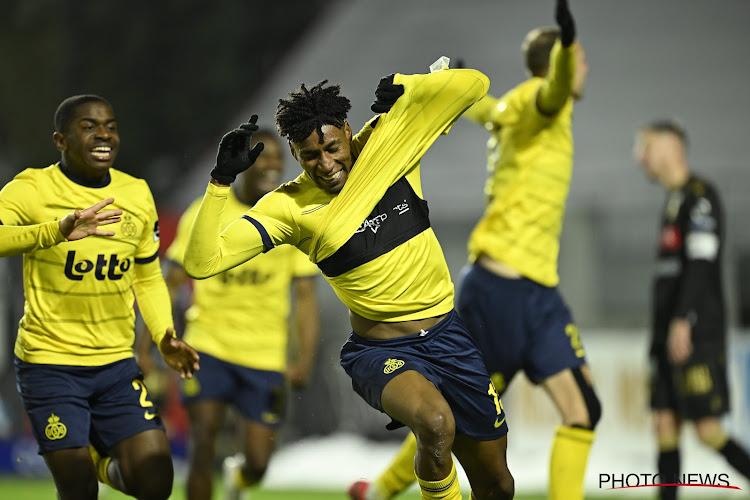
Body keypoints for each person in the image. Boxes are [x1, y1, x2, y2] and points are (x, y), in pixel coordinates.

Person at [183, 64, 515, 499]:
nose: (326, 164)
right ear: (295, 154)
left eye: (333, 148)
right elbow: (202, 261)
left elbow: (476, 85)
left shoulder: (389, 139)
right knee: (435, 425)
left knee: (497, 485)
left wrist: (411, 84)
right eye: (310, 156)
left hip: (450, 336)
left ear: (346, 128)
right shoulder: (289, 207)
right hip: (382, 351)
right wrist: (220, 181)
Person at [348, 1, 600, 500]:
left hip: (533, 286)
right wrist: (569, 46)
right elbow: (552, 90)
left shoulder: (514, 112)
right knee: (466, 409)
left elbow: (484, 108)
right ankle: (381, 490)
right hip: (504, 288)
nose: (585, 67)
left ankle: (379, 489)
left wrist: (455, 81)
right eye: (580, 59)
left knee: (582, 409)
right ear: (560, 63)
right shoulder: (542, 102)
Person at [0, 94, 200, 500]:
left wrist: (164, 336)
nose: (103, 134)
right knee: (78, 492)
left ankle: (99, 460)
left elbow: (147, 276)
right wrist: (55, 230)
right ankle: (86, 462)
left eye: (109, 125)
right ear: (61, 140)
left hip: (113, 363)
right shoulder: (31, 188)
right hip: (49, 361)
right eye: (89, 126)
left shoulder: (137, 194)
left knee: (155, 479)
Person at [135, 129, 321, 500]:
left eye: (278, 161)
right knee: (202, 446)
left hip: (265, 353)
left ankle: (240, 480)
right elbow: (168, 283)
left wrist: (304, 357)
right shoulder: (206, 212)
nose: (272, 166)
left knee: (258, 462)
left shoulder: (291, 215)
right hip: (208, 347)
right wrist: (147, 345)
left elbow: (305, 296)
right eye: (263, 158)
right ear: (245, 163)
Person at [634, 119, 750, 500]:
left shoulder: (701, 196)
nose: (640, 157)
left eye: (646, 147)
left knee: (708, 431)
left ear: (670, 147)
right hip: (665, 334)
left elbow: (701, 264)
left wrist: (683, 321)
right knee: (664, 425)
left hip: (694, 334)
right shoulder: (673, 202)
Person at [0, 198, 122, 257]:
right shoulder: (28, 187)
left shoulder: (136, 189)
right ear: (61, 145)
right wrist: (54, 232)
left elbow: (141, 279)